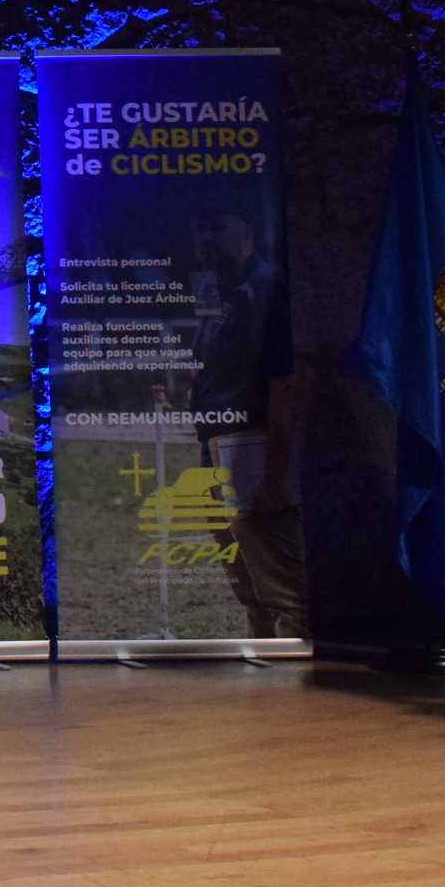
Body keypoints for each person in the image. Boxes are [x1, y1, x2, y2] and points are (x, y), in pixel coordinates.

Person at [189, 207, 304, 637]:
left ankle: (295, 670)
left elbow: (285, 385)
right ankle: (261, 658)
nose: (207, 238)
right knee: (246, 584)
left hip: (253, 445)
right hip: (214, 444)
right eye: (201, 228)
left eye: (217, 225)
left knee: (282, 585)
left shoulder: (266, 289)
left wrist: (274, 473)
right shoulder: (214, 288)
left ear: (248, 229)